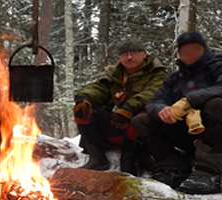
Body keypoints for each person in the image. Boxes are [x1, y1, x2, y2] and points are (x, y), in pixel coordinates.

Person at [131, 31, 222, 194]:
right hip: (187, 132)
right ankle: (174, 168)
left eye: (195, 49)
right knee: (142, 121)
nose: (189, 54)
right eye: (184, 51)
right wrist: (162, 110)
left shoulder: (218, 66)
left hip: (215, 131)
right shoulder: (174, 78)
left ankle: (208, 172)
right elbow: (154, 102)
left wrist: (189, 100)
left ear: (204, 49)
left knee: (216, 105)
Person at [74, 38, 167, 175]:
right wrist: (84, 98)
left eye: (133, 53)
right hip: (116, 122)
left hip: (142, 129)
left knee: (140, 117)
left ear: (144, 54)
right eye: (125, 54)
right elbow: (99, 88)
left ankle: (130, 160)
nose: (129, 57)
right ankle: (97, 157)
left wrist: (130, 107)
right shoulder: (114, 73)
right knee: (85, 110)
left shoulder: (158, 73)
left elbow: (152, 93)